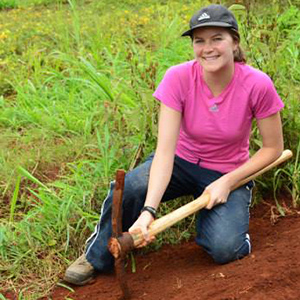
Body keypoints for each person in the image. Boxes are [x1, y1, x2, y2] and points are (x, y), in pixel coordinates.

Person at [64, 4, 284, 285]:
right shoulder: (178, 78)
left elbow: (273, 149)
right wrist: (149, 211)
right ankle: (95, 256)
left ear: (235, 42)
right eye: (199, 41)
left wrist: (228, 182)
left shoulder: (257, 84)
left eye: (217, 38)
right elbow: (165, 152)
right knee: (132, 188)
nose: (208, 48)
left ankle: (227, 227)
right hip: (180, 162)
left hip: (227, 171)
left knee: (225, 248)